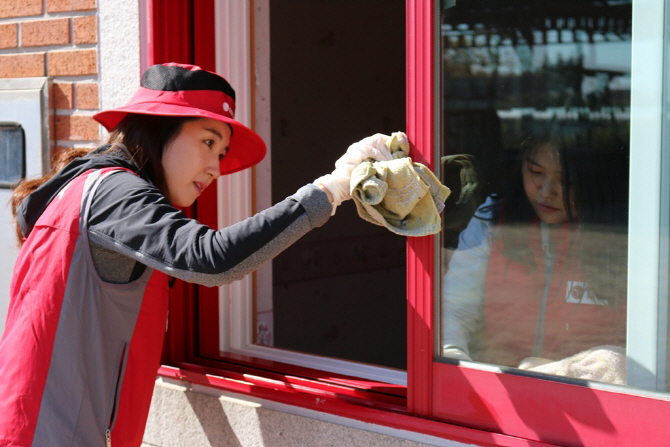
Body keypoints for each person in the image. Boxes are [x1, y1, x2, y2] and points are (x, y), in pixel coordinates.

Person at [0, 62, 395, 447]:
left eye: (221, 154)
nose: (214, 168)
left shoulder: (90, 188)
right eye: (208, 142)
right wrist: (332, 189)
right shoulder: (115, 191)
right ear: (156, 130)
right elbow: (211, 258)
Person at [442, 120, 628, 382]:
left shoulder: (626, 239)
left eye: (566, 181)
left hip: (593, 402)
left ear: (596, 182)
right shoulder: (494, 217)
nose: (545, 191)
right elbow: (456, 306)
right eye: (536, 172)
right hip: (499, 390)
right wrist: (453, 359)